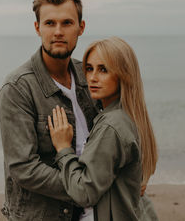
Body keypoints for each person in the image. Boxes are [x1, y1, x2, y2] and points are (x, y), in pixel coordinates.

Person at [0, 0, 98, 220]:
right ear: (37, 28)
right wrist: (83, 187)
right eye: (50, 23)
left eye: (67, 23)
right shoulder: (17, 88)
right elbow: (24, 168)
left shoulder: (89, 76)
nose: (58, 31)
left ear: (81, 28)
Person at [48, 37, 159, 220]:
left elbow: (84, 192)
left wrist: (63, 149)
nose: (92, 77)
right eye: (89, 68)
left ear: (123, 74)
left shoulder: (111, 126)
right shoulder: (129, 115)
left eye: (103, 70)